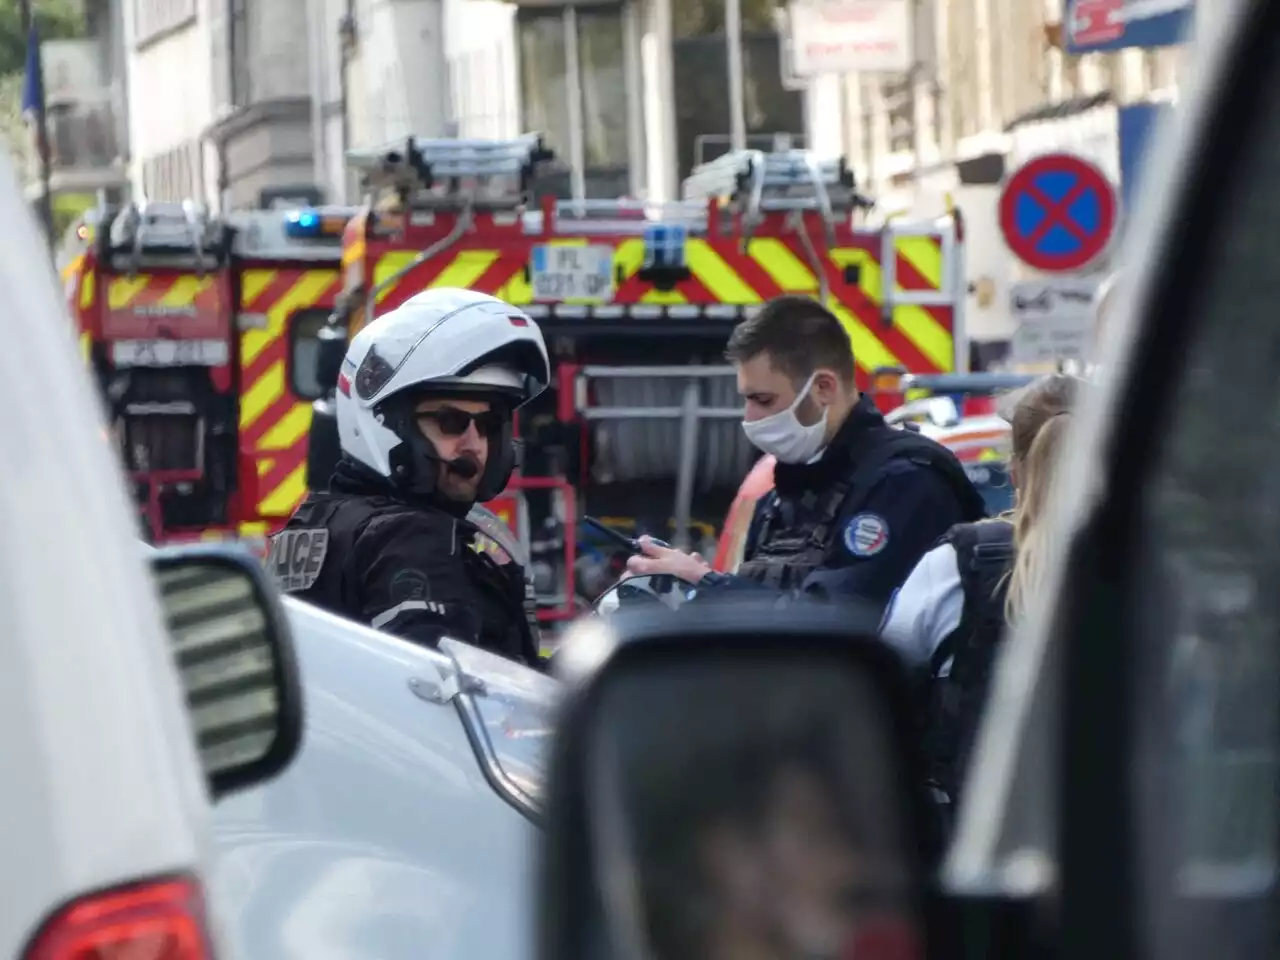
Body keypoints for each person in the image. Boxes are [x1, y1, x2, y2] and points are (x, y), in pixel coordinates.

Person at [626, 295, 987, 611]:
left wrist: (706, 584)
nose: (749, 418)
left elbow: (841, 625)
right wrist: (694, 590)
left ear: (824, 388)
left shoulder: (906, 484)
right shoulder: (781, 500)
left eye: (763, 400)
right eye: (747, 400)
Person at [266, 287, 550, 668]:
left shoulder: (317, 521)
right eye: (450, 422)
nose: (475, 445)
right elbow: (464, 706)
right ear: (387, 423)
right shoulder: (412, 539)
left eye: (488, 424)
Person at [879, 373, 1084, 809]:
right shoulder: (1149, 565)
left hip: (975, 841)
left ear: (1014, 472)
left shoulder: (955, 566)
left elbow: (883, 694)